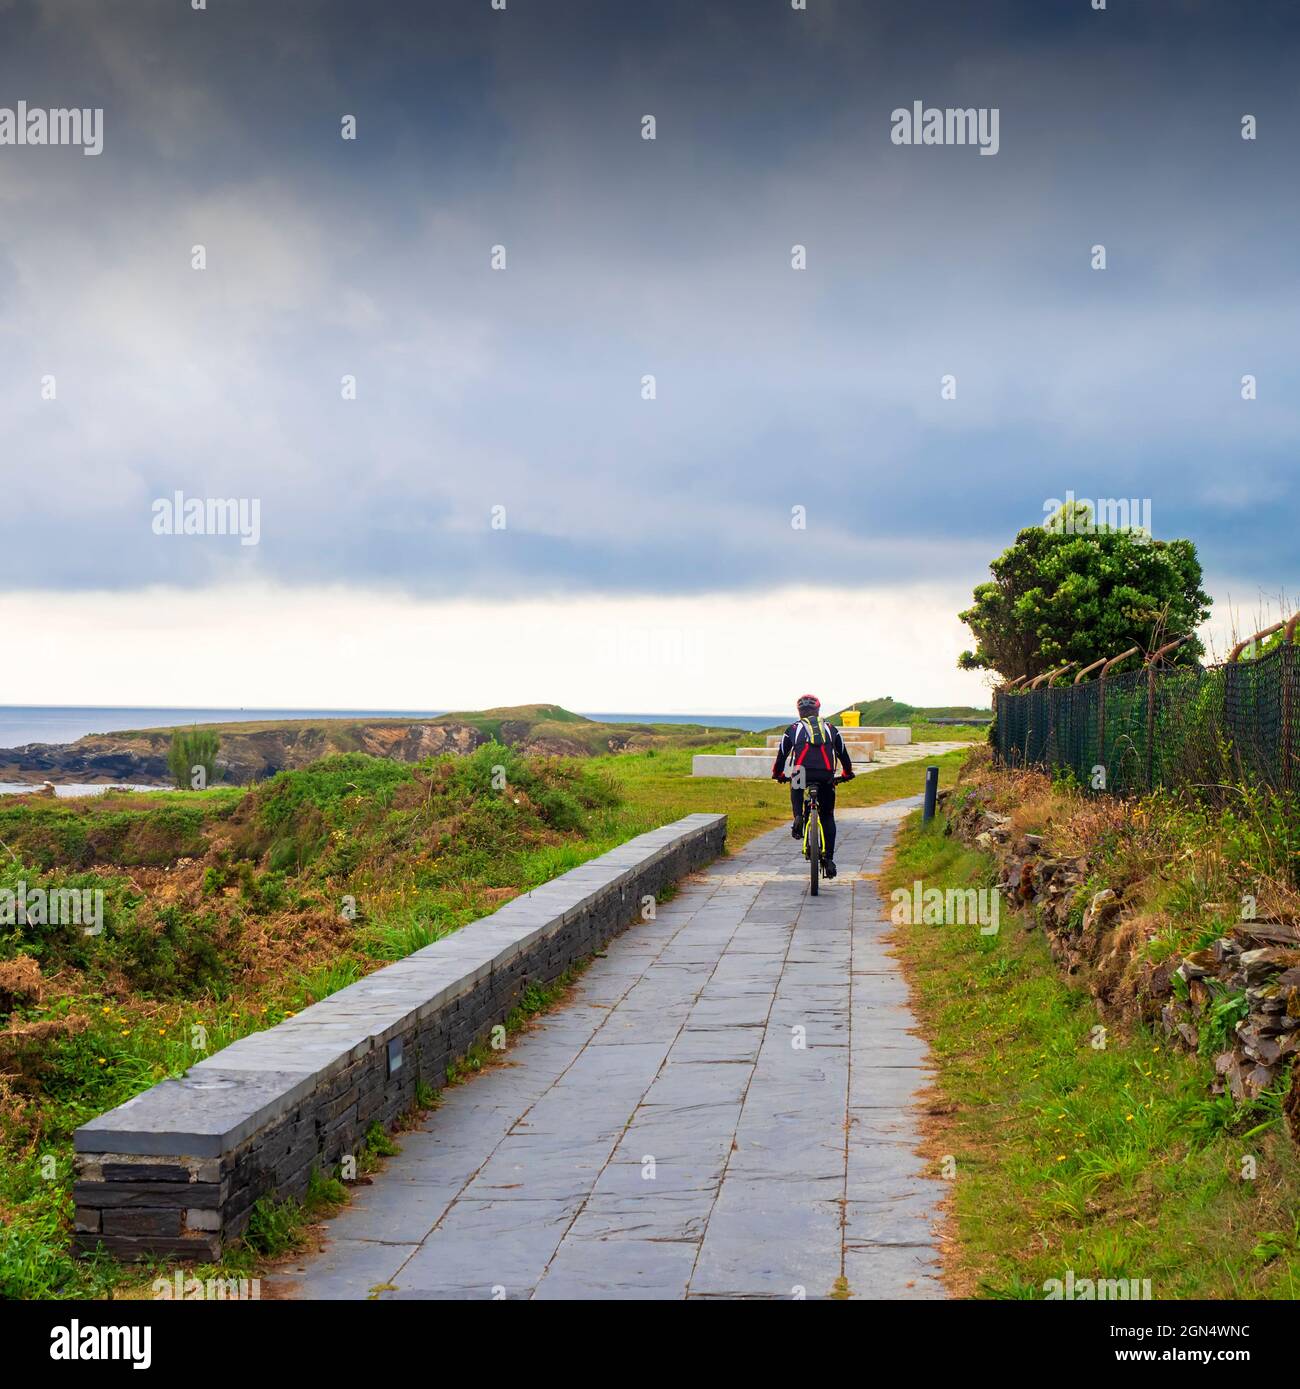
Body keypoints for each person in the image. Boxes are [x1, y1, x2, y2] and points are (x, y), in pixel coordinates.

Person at [772, 694, 854, 878]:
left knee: (797, 786)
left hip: (801, 772)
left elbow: (782, 756)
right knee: (827, 815)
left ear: (799, 712)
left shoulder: (793, 729)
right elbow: (843, 754)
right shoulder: (831, 728)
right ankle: (830, 859)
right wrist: (847, 773)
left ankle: (798, 817)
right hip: (825, 775)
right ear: (818, 710)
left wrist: (778, 774)